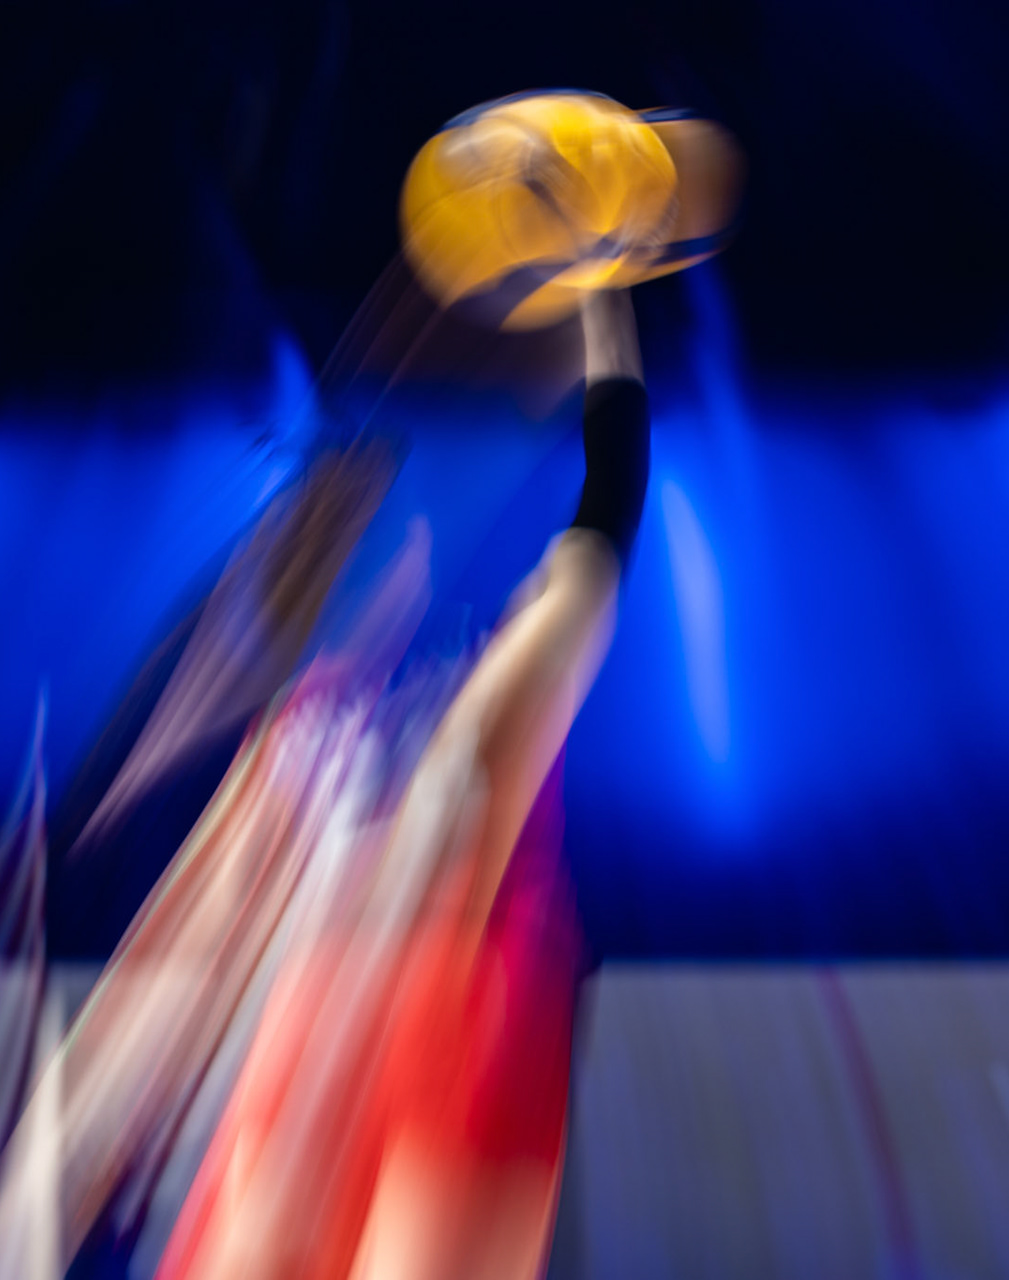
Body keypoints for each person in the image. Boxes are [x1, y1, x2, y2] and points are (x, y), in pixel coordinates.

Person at [152, 284, 649, 1280]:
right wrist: (607, 305)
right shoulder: (353, 706)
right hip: (429, 1013)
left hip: (362, 1015)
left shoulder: (312, 716)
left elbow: (197, 925)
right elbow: (608, 502)